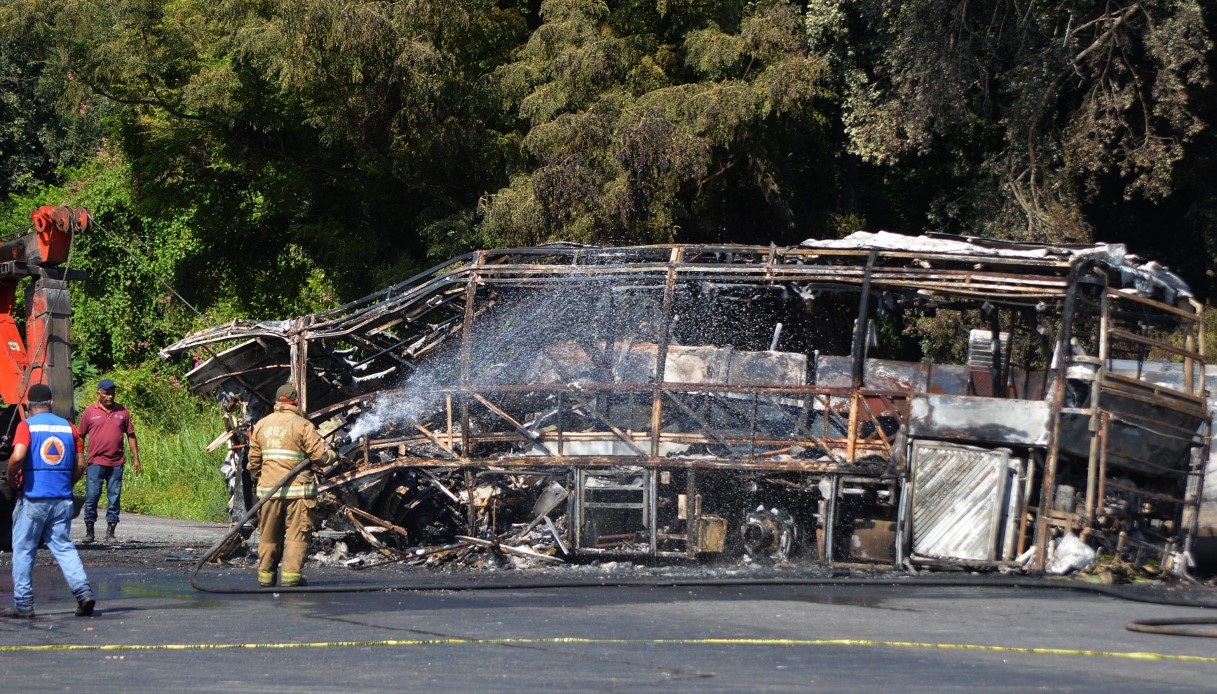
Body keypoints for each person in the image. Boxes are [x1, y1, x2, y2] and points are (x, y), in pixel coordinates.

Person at [4, 384, 95, 618]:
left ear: (28, 406)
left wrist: (11, 477)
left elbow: (18, 456)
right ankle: (83, 593)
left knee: (24, 550)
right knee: (64, 547)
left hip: (33, 500)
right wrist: (68, 485)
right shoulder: (69, 428)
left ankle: (23, 605)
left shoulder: (26, 426)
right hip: (61, 499)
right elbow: (81, 464)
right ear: (51, 403)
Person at [247, 382, 335, 587]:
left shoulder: (262, 424)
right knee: (297, 535)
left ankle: (266, 577)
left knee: (268, 535)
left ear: (278, 401)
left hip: (268, 492)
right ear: (296, 401)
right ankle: (291, 577)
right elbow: (320, 457)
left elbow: (253, 461)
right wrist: (334, 453)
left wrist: (259, 478)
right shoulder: (302, 424)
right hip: (298, 492)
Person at [78, 378, 141, 543]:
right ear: (99, 394)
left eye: (112, 393)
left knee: (114, 498)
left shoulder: (122, 411)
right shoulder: (90, 412)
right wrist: (81, 459)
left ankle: (110, 532)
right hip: (95, 463)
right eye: (106, 393)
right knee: (92, 497)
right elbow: (80, 436)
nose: (110, 396)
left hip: (116, 464)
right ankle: (89, 532)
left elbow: (131, 435)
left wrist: (136, 459)